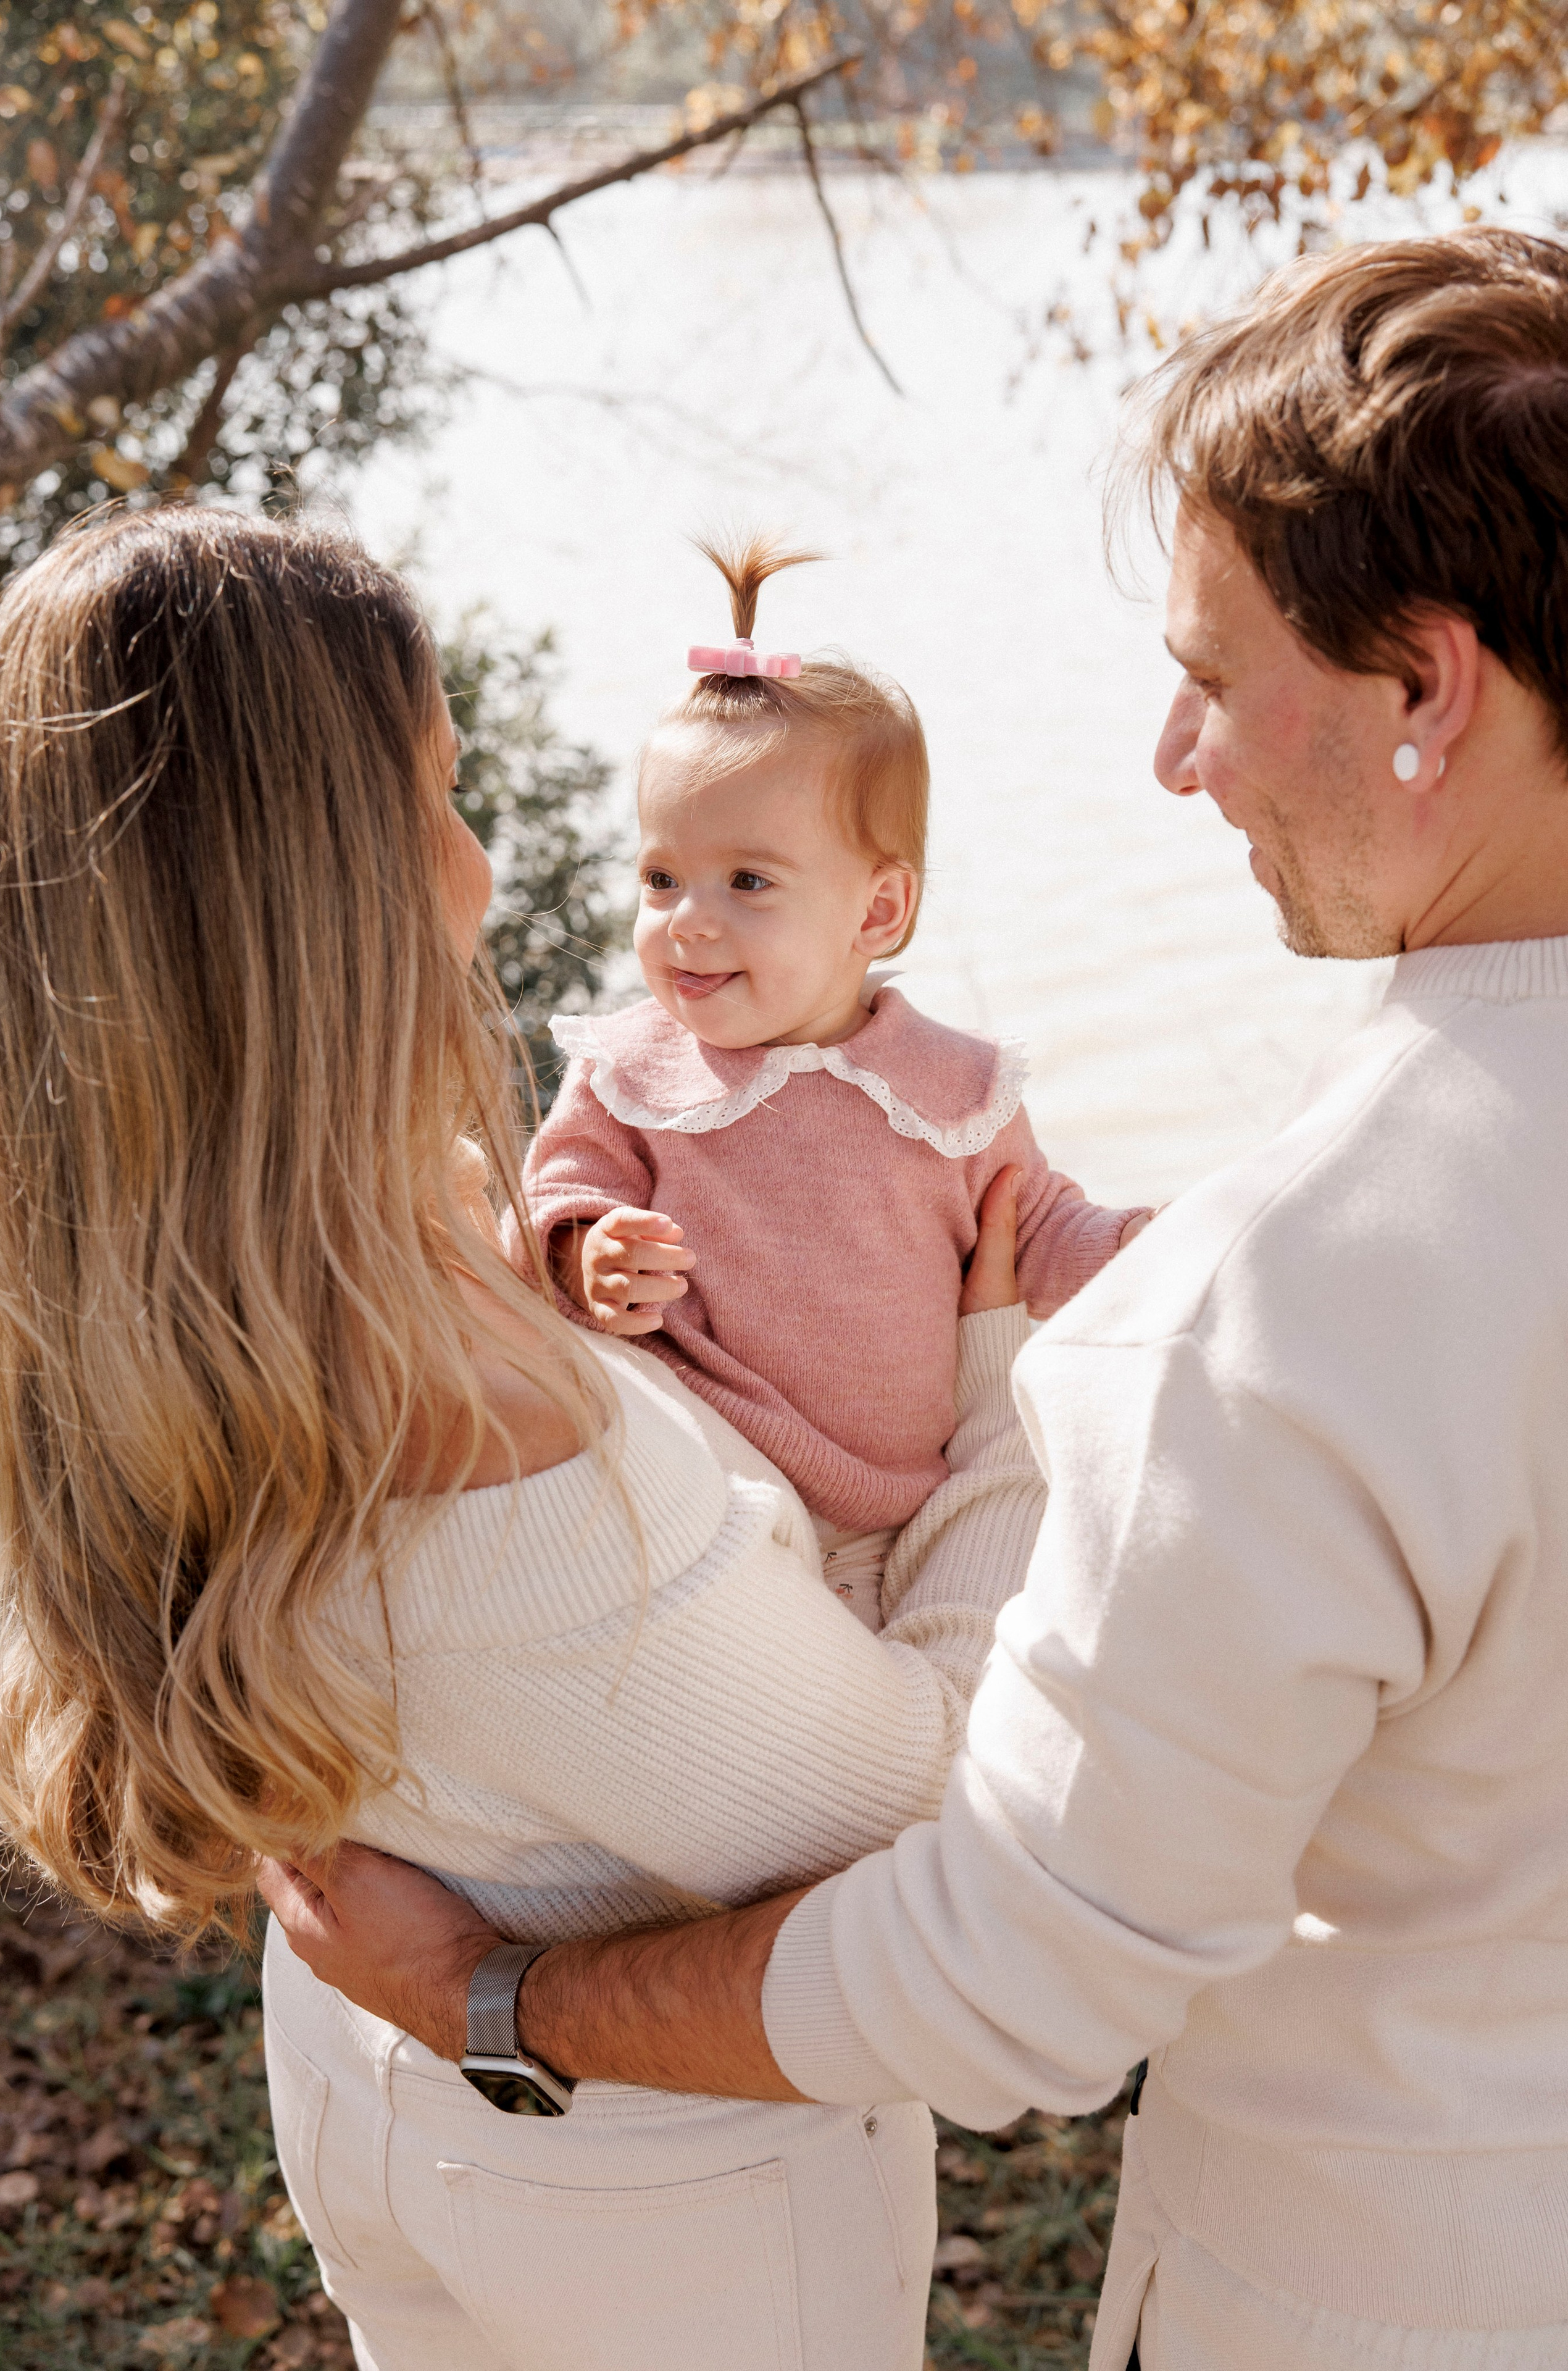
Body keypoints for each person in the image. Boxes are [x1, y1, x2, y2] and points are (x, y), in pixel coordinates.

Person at [263, 227, 1568, 2371]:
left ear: (1425, 688)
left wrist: (494, 2000)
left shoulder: (1292, 1299)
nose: (1175, 759)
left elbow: (1011, 1979)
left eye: (1216, 679)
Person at [0, 503, 1048, 2371]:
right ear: (341, 884)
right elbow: (930, 1824)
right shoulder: (488, 1428)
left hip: (353, 2074)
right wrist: (1002, 1377)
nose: (482, 869)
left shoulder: (122, 1276)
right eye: (445, 797)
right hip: (648, 2203)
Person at [529, 532, 1152, 1629]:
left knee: (986, 1659)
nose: (688, 921)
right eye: (661, 876)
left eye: (747, 881)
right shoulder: (635, 1069)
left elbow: (1037, 1224)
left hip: (911, 1509)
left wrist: (1138, 1250)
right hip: (708, 1480)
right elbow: (560, 1185)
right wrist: (589, 1250)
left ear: (878, 911)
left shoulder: (953, 1089)